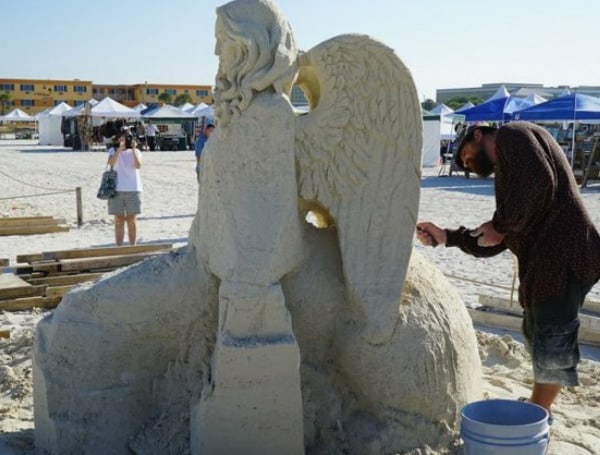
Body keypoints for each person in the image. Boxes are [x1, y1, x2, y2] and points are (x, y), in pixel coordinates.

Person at [416, 121, 600, 418]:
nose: (466, 162)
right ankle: (540, 407)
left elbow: (541, 184)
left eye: (465, 155)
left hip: (564, 254)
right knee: (536, 330)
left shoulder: (512, 135)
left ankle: (539, 413)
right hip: (548, 260)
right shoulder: (512, 171)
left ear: (478, 134)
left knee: (551, 337)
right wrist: (447, 236)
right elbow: (498, 236)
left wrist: (499, 228)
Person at [107, 132, 143, 246]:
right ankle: (119, 246)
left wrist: (133, 149)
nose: (123, 141)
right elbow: (111, 163)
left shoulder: (136, 152)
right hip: (117, 188)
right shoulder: (113, 151)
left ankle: (133, 245)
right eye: (121, 138)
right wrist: (119, 149)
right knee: (118, 219)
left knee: (131, 219)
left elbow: (138, 166)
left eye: (126, 139)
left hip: (133, 188)